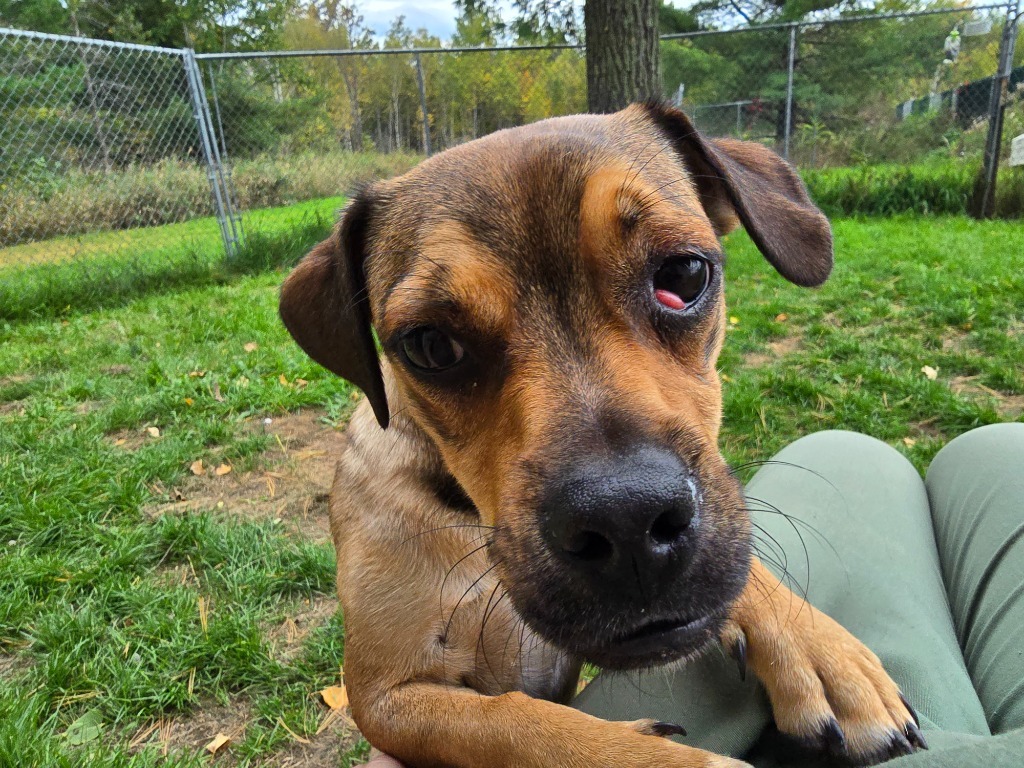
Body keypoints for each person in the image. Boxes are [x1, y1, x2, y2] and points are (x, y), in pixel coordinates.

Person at [363, 423, 1024, 767]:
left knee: (957, 452)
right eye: (440, 347)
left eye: (677, 281)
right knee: (989, 455)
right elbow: (387, 698)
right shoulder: (379, 496)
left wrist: (766, 604)